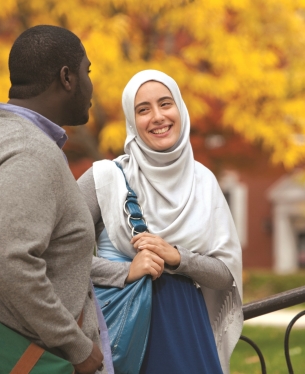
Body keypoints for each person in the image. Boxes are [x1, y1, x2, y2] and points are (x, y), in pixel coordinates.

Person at [0, 25, 106, 374]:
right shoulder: (31, 153)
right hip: (27, 360)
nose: (91, 84)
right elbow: (5, 258)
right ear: (67, 78)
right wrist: (76, 346)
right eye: (86, 72)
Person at [78, 70, 243, 374]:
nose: (157, 117)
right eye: (143, 109)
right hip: (126, 334)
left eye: (165, 104)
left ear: (180, 109)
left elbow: (225, 274)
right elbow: (57, 256)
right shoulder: (104, 179)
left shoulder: (203, 181)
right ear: (132, 120)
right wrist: (125, 271)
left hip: (187, 330)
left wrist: (179, 258)